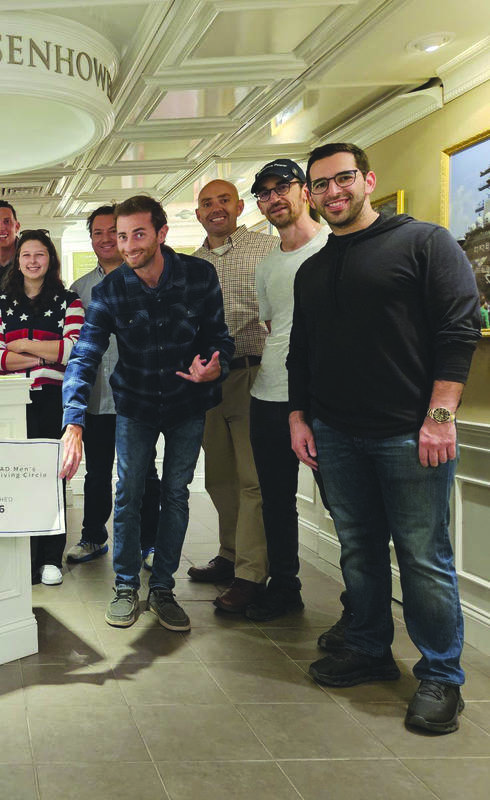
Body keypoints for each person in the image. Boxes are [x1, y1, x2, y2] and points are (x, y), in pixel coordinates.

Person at [290, 142, 481, 734]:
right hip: (336, 434)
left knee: (424, 558)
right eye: (320, 185)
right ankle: (370, 648)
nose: (333, 192)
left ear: (368, 179)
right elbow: (304, 352)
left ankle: (442, 676)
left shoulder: (425, 242)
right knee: (359, 550)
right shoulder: (314, 267)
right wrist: (299, 417)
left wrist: (441, 415)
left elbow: (459, 327)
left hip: (410, 433)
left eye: (342, 179)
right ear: (311, 196)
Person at [61, 195, 233, 631]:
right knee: (128, 491)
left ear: (161, 233)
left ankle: (162, 589)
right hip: (134, 406)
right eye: (122, 236)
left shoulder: (199, 276)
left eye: (139, 233)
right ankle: (124, 586)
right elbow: (83, 356)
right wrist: (74, 421)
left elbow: (219, 337)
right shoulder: (110, 291)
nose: (129, 244)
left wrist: (215, 364)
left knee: (175, 493)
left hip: (186, 405)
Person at [244, 159, 329, 621]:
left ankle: (360, 607)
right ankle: (285, 586)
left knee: (343, 504)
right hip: (269, 395)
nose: (274, 198)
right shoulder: (269, 264)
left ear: (304, 192)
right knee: (276, 501)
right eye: (264, 193)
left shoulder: (334, 246)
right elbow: (276, 326)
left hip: (323, 402)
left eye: (282, 188)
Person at [188, 179, 278, 613]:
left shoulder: (267, 249)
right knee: (219, 477)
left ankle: (250, 572)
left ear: (239, 206)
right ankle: (227, 555)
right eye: (207, 203)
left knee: (251, 479)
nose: (215, 208)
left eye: (223, 200)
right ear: (198, 213)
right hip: (208, 383)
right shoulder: (192, 263)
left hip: (252, 375)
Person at [0, 229, 84, 586]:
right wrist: (44, 352)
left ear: (50, 259)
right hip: (12, 402)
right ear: (18, 260)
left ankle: (50, 558)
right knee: (16, 480)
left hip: (53, 402)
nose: (32, 261)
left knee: (50, 479)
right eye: (26, 255)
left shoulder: (69, 302)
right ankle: (24, 557)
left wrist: (23, 345)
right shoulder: (0, 304)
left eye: (39, 254)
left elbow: (74, 351)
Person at [66, 205, 160, 570]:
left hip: (137, 398)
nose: (105, 239)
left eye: (112, 232)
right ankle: (93, 537)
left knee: (143, 472)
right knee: (97, 472)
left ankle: (149, 542)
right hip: (95, 399)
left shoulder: (145, 280)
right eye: (97, 233)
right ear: (90, 239)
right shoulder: (79, 289)